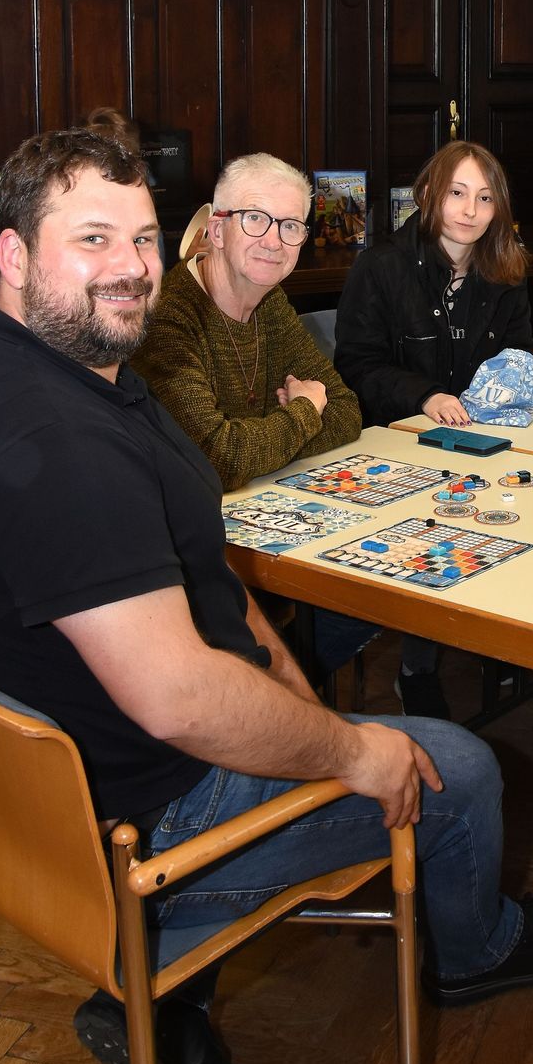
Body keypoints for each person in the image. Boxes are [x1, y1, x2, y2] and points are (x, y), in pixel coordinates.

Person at [0, 130, 533, 1064]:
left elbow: (210, 579)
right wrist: (354, 752)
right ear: (13, 258)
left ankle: (172, 999)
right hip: (129, 837)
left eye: (145, 240)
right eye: (93, 239)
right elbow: (182, 696)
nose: (129, 268)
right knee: (460, 767)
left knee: (319, 685)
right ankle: (478, 952)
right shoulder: (57, 443)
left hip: (28, 809)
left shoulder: (45, 372)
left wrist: (295, 693)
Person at [132, 153, 376, 678]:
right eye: (255, 218)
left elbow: (348, 413)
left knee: (374, 592)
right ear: (217, 230)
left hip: (265, 522)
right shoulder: (168, 315)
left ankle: (276, 682)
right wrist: (303, 412)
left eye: (290, 226)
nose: (274, 240)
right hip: (181, 561)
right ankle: (263, 684)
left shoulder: (270, 302)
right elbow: (216, 458)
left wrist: (263, 439)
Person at [335, 142, 533, 718]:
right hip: (400, 441)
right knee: (435, 533)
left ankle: (495, 640)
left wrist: (511, 391)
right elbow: (357, 363)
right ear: (427, 195)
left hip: (486, 439)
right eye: (456, 193)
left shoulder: (505, 271)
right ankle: (415, 667)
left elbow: (521, 355)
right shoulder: (381, 266)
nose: (470, 210)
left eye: (485, 198)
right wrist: (425, 396)